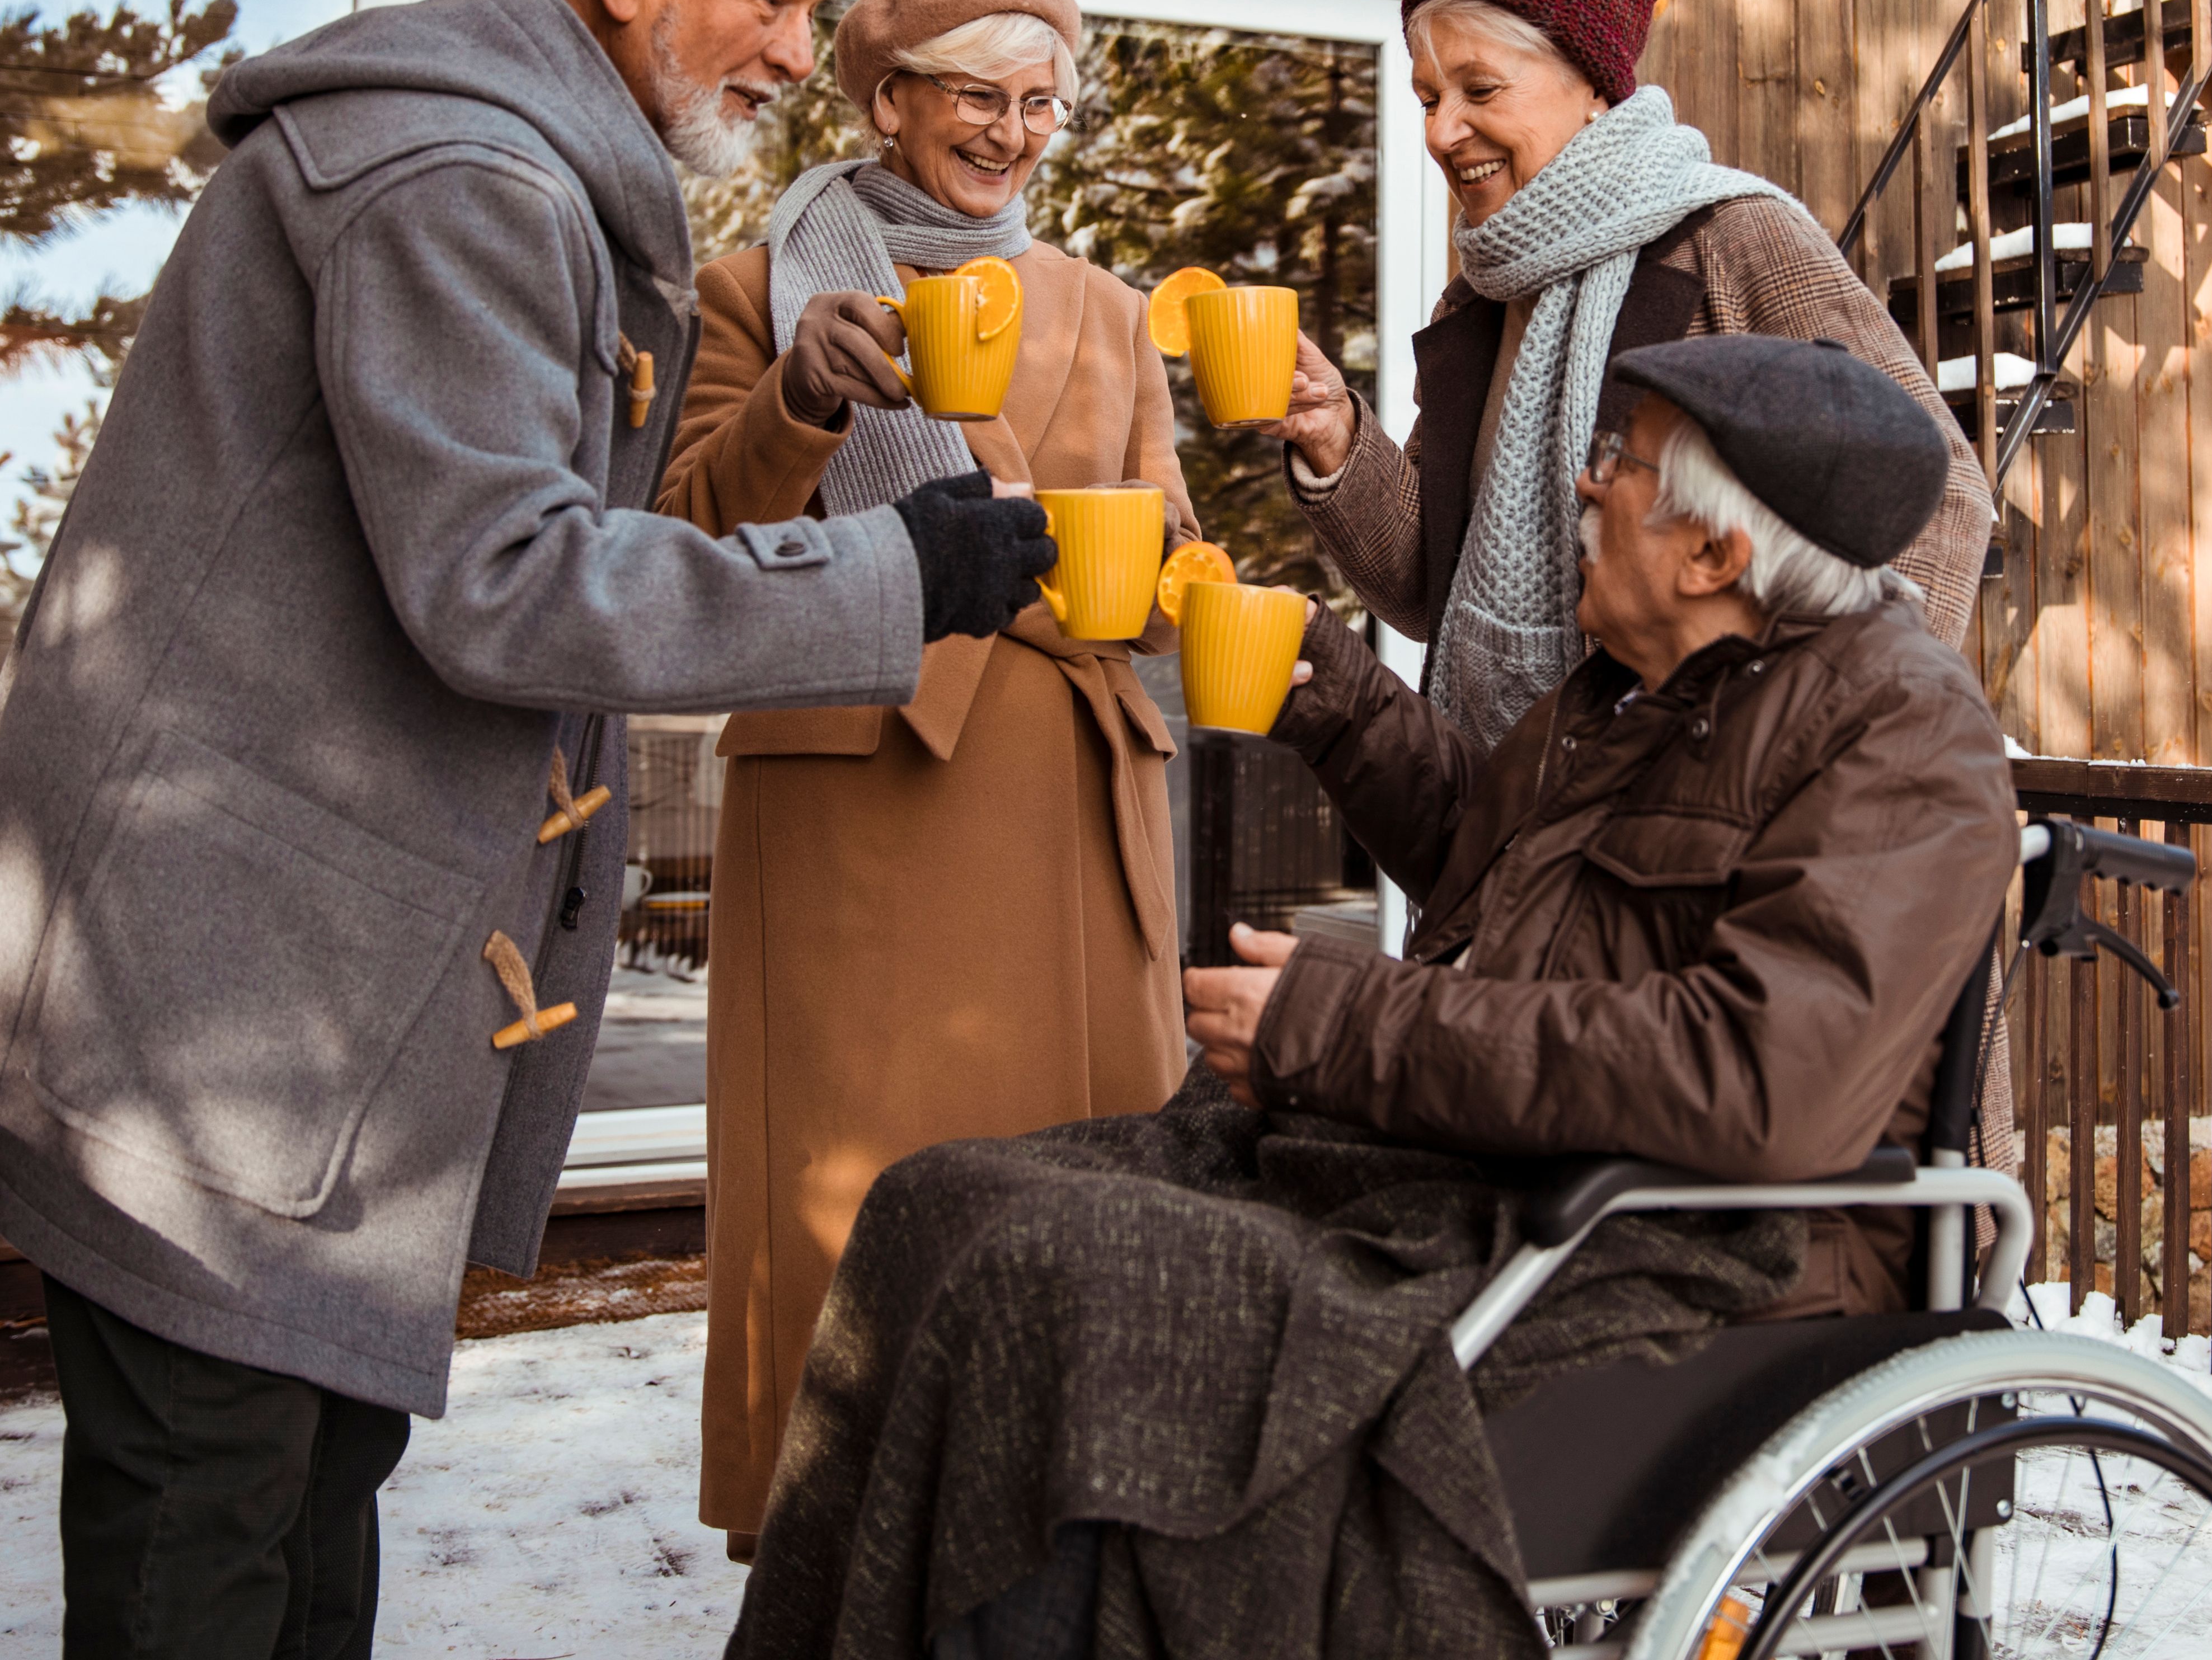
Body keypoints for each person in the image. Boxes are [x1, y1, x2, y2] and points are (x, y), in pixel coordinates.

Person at [0, 0, 1059, 1660]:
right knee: (214, 1526)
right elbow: (506, 582)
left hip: (292, 1009)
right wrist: (894, 579)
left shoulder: (521, 171)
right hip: (219, 1015)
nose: (797, 49)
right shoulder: (462, 182)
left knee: (299, 1498)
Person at [729, 335, 2018, 1660]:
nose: (1585, 486)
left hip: (1689, 1257)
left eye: (1620, 465)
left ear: (1714, 553)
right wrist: (1336, 699)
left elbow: (1763, 1081)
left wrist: (1341, 1030)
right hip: (1481, 1175)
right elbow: (1488, 872)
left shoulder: (1900, 730)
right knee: (935, 1205)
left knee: (1061, 1287)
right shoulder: (1631, 690)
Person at [656, 0, 1202, 1552]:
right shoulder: (758, 293)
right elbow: (677, 552)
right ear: (888, 101)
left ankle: (1070, 1551)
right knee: (863, 1207)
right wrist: (800, 407)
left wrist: (1182, 583)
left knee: (1081, 1201)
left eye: (1040, 104)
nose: (1011, 133)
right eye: (977, 96)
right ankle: (844, 1557)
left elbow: (1166, 569)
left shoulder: (1111, 312)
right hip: (864, 803)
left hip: (1070, 805)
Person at [1249, 0, 1996, 749]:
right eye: (1429, 99)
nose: (1440, 131)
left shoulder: (1727, 237)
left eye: (1480, 91)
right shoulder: (1481, 300)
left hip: (1688, 780)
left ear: (1595, 88)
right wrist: (1335, 437)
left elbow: (1945, 497)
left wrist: (1810, 743)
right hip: (1505, 792)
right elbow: (1431, 588)